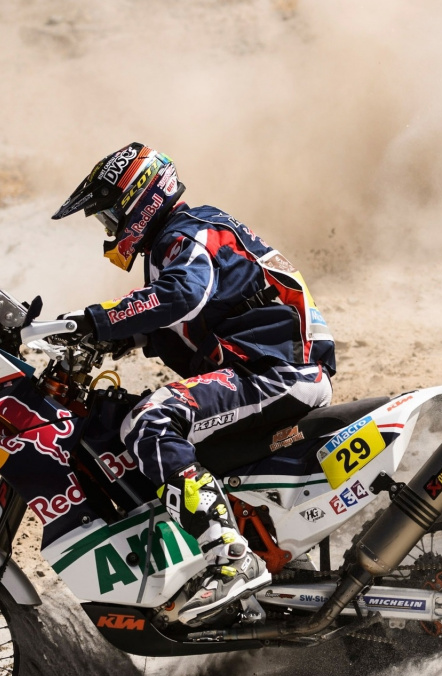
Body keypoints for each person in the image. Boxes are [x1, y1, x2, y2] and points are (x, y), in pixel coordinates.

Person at [52, 141, 336, 625]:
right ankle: (275, 569)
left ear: (138, 199)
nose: (110, 229)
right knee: (168, 433)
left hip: (276, 371)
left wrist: (94, 320)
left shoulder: (187, 234)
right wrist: (109, 339)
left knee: (150, 420)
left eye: (110, 215)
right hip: (270, 368)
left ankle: (230, 558)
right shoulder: (181, 237)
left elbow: (181, 296)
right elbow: (176, 322)